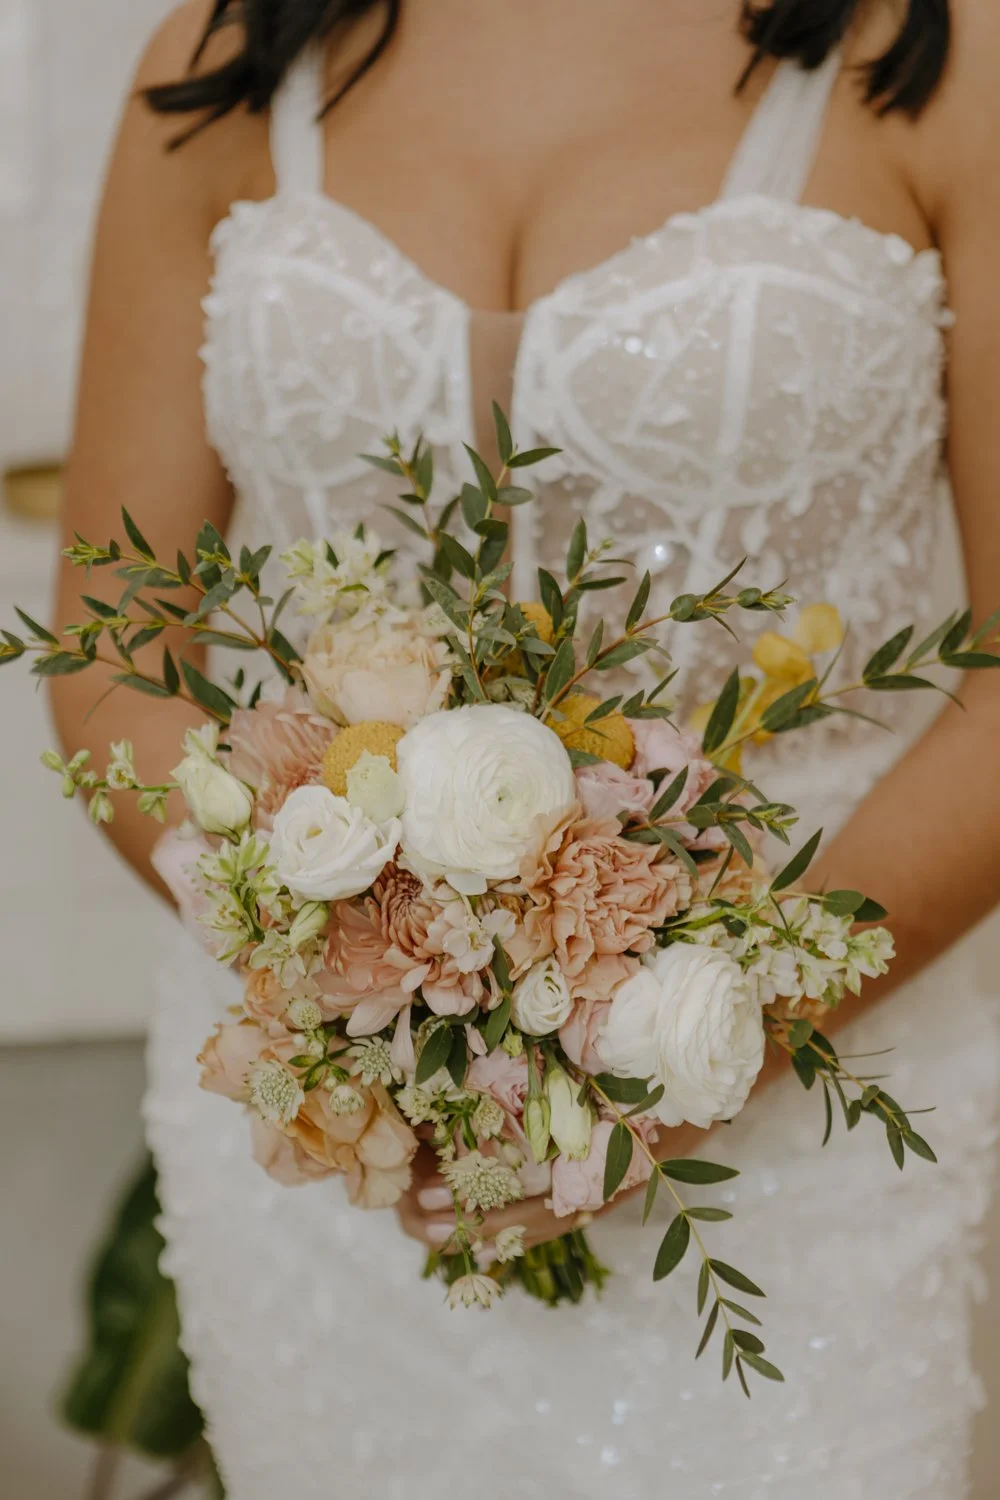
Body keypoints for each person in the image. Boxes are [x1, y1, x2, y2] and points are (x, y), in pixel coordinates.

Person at [52, 0, 1000, 1494]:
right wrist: (362, 997)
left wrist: (690, 1023)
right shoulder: (224, 62)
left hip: (809, 1128)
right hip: (348, 1157)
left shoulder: (938, 54)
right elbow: (113, 657)